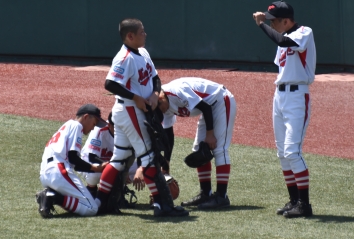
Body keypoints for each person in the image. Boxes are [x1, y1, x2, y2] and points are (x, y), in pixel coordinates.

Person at [96, 18, 188, 217]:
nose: (145, 34)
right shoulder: (125, 57)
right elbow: (110, 84)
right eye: (141, 32)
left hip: (129, 112)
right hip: (130, 111)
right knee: (149, 157)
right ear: (130, 36)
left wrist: (154, 94)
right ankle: (163, 205)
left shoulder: (143, 52)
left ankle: (102, 202)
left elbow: (155, 77)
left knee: (120, 158)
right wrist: (136, 97)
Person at [252, 1, 316, 218]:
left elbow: (283, 40)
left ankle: (305, 205)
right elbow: (281, 44)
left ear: (287, 21)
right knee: (282, 153)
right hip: (279, 97)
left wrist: (261, 25)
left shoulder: (304, 32)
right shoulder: (282, 40)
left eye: (275, 21)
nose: (272, 24)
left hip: (297, 97)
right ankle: (294, 200)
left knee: (292, 151)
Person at [157, 77, 236, 209]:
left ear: (160, 99)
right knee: (199, 149)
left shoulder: (177, 92)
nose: (161, 113)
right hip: (210, 108)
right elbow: (168, 135)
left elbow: (205, 107)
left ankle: (222, 196)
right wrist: (166, 164)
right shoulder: (162, 104)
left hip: (222, 100)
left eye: (159, 109)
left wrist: (210, 134)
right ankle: (206, 193)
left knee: (219, 148)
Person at [36, 104, 109, 218]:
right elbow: (73, 158)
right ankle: (53, 197)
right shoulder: (77, 126)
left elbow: (76, 164)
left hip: (45, 173)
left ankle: (51, 194)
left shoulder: (66, 126)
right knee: (92, 208)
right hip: (58, 171)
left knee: (82, 203)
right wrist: (95, 168)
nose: (93, 128)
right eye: (94, 123)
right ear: (86, 117)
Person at [79, 113, 138, 198]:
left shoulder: (129, 131)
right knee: (94, 173)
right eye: (117, 127)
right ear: (109, 125)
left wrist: (138, 170)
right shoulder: (99, 130)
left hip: (115, 164)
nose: (120, 130)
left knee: (143, 168)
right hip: (91, 162)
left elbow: (139, 156)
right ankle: (92, 189)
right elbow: (92, 157)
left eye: (122, 127)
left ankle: (117, 189)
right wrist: (114, 170)